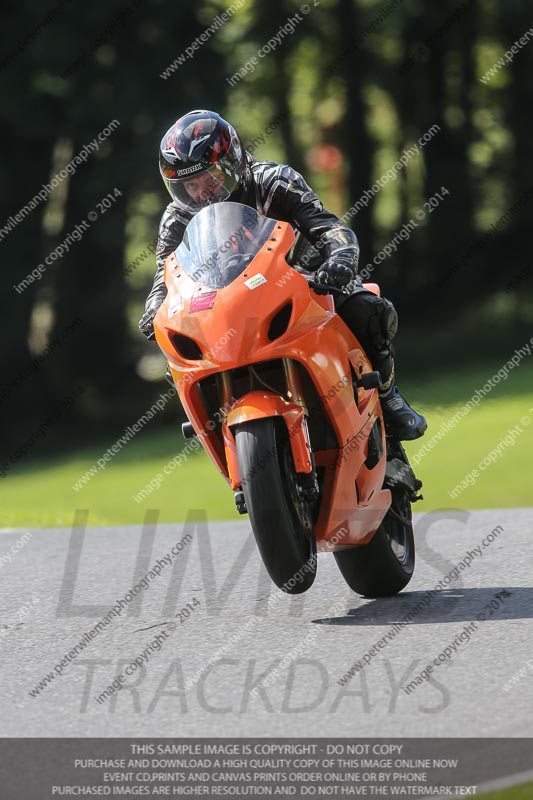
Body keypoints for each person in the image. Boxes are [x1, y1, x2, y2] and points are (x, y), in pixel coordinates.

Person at [139, 109, 426, 441]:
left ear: (233, 164)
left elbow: (328, 226)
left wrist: (341, 257)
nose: (202, 192)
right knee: (176, 356)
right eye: (191, 184)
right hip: (223, 312)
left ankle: (389, 399)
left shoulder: (274, 181)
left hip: (304, 284)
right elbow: (166, 275)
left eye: (210, 178)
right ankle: (218, 432)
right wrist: (155, 308)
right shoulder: (176, 218)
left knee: (368, 310)